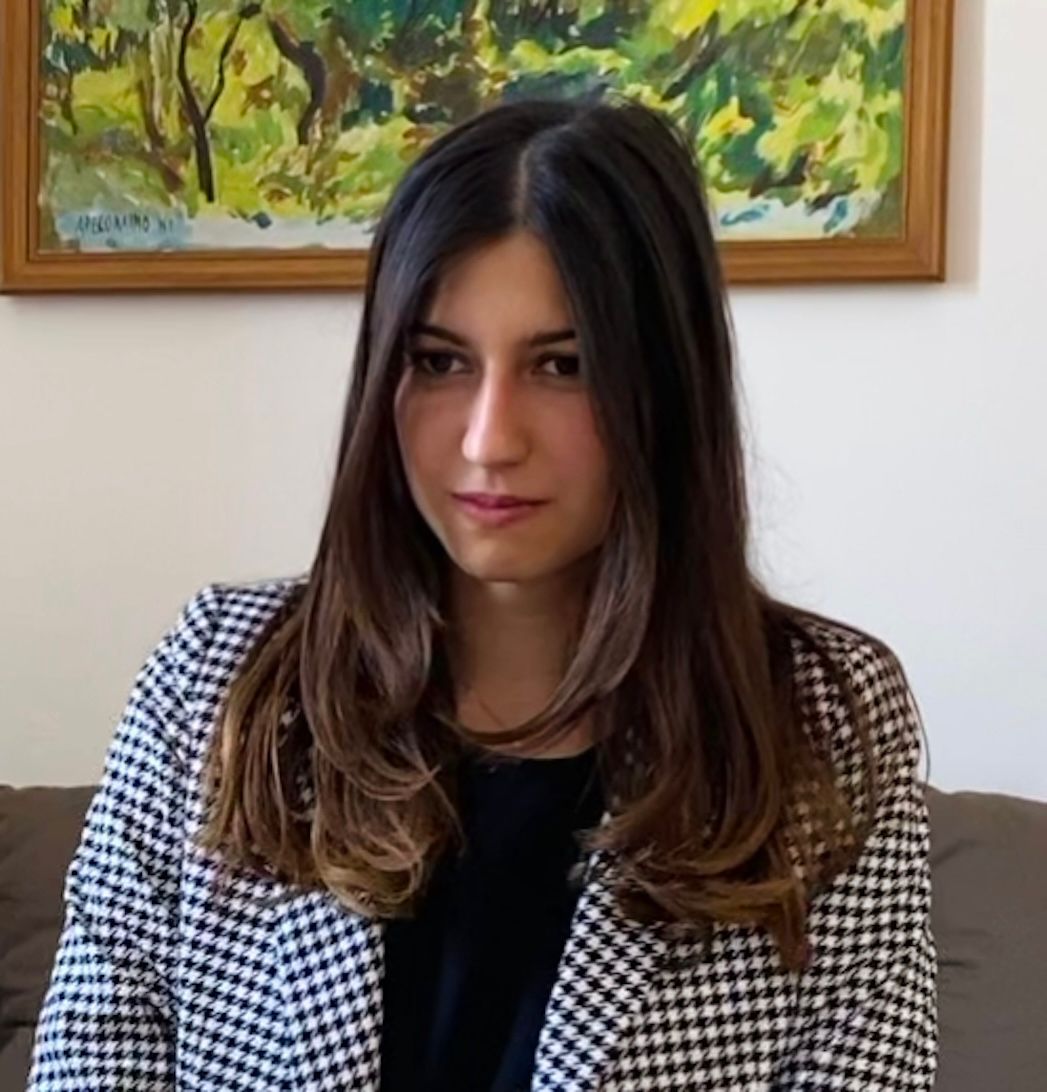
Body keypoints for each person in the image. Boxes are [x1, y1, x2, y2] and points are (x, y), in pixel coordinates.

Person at [27, 95, 938, 1091]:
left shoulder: (820, 720)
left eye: (563, 365)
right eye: (440, 362)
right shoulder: (218, 681)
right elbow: (92, 1061)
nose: (489, 438)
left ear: (665, 388)